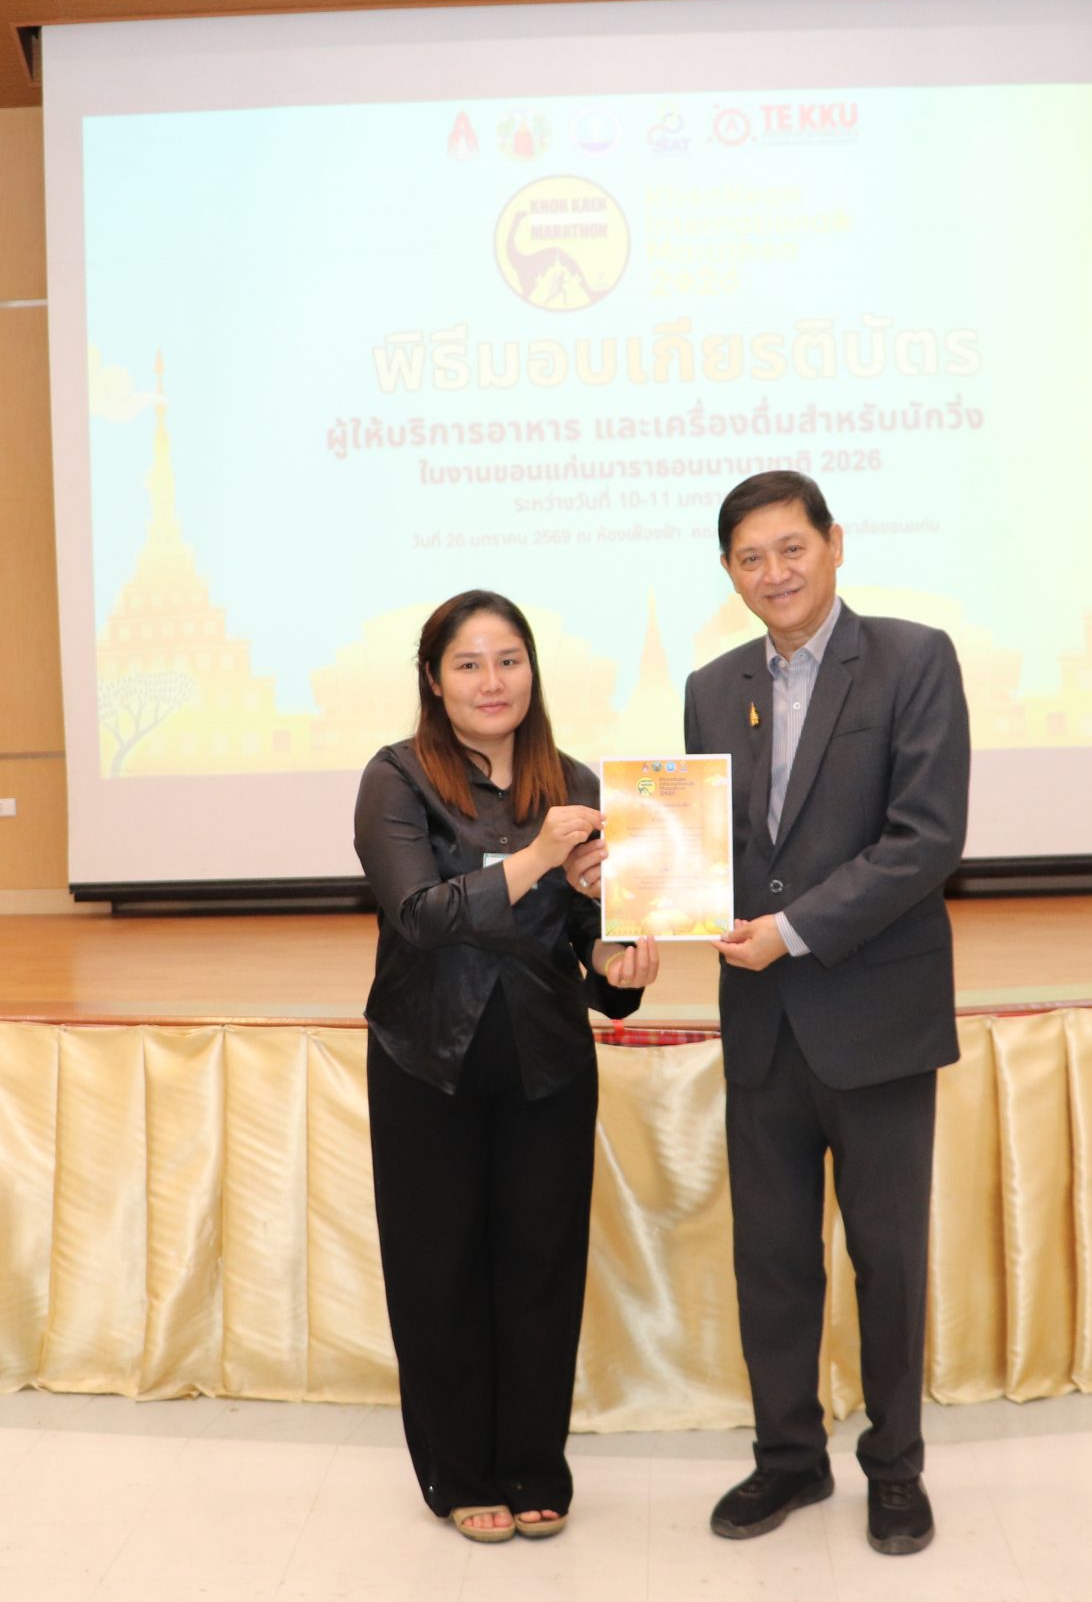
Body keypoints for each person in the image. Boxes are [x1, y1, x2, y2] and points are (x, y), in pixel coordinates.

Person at [568, 470, 969, 1555]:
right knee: (772, 1261)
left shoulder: (914, 659)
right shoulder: (713, 685)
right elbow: (717, 848)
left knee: (888, 1260)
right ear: (728, 572)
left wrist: (790, 930)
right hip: (761, 1022)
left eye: (792, 548)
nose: (775, 572)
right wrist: (639, 891)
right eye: (751, 557)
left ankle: (896, 1467)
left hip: (876, 1016)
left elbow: (925, 839)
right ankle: (788, 1458)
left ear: (834, 543)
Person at [353, 588, 662, 1545]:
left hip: (546, 1059)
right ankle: (458, 1472)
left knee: (541, 1269)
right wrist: (537, 856)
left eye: (510, 659)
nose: (493, 681)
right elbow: (421, 916)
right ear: (433, 680)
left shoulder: (575, 781)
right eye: (469, 663)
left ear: (532, 670)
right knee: (437, 1269)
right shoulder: (395, 778)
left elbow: (587, 933)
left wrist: (617, 961)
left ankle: (533, 1464)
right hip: (426, 1058)